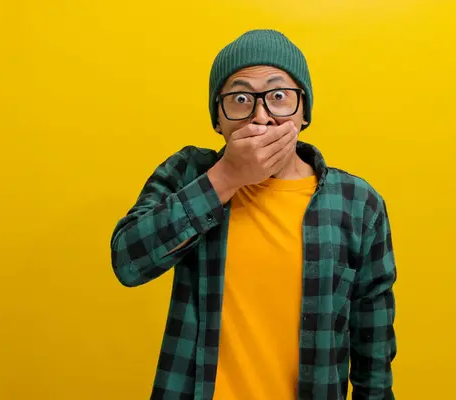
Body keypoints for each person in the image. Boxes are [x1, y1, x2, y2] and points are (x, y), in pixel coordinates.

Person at [110, 29, 397, 400]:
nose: (261, 117)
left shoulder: (357, 204)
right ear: (218, 118)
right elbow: (127, 262)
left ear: (304, 111)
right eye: (241, 99)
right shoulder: (188, 174)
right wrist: (226, 177)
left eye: (279, 96)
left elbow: (373, 352)